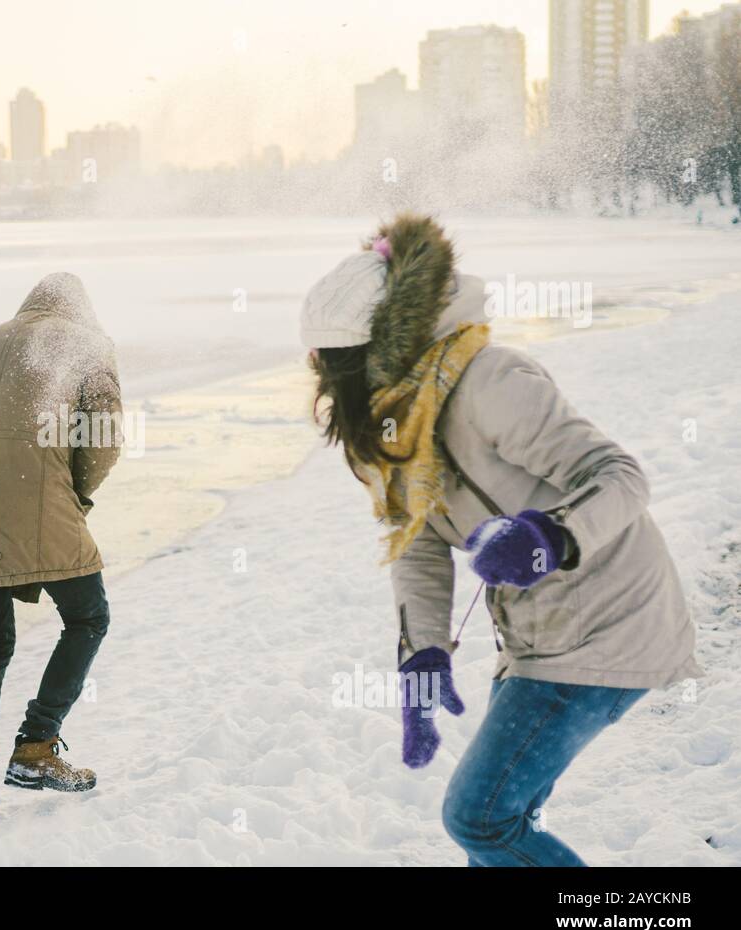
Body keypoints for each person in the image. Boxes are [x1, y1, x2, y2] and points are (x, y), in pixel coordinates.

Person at [299, 213, 702, 866]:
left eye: (335, 370)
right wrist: (423, 655)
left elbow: (621, 477)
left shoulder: (490, 384)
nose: (325, 388)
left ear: (375, 355)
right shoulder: (391, 421)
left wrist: (548, 539)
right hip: (539, 634)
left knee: (481, 819)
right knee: (505, 822)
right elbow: (419, 542)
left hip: (612, 621)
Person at [0, 272, 123, 830]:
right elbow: (103, 439)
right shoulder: (87, 344)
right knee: (89, 617)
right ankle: (37, 746)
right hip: (43, 502)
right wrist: (75, 497)